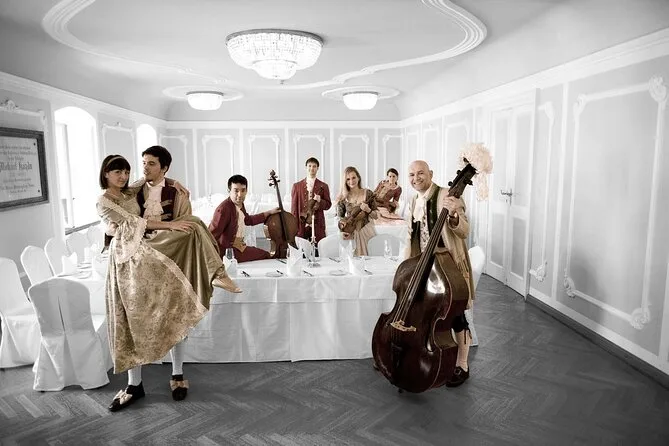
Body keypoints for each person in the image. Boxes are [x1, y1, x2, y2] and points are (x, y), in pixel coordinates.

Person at [97, 154, 241, 413]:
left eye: (126, 171)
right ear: (105, 173)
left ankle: (177, 373)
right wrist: (171, 225)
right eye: (117, 172)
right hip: (127, 261)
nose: (124, 176)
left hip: (152, 255)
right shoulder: (104, 200)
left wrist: (174, 182)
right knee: (131, 319)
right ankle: (134, 385)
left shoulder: (130, 190)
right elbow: (133, 222)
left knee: (175, 311)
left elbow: (150, 178)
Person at [404, 160, 476, 388]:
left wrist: (453, 215)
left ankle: (462, 364)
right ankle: (431, 354)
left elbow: (465, 230)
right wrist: (407, 268)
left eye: (421, 173)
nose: (416, 178)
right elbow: (411, 236)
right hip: (424, 266)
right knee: (427, 312)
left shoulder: (447, 194)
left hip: (448, 266)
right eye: (412, 175)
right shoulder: (413, 200)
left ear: (431, 174)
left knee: (456, 315)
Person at [209, 174, 280, 262]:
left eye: (243, 190)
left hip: (239, 246)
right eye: (236, 191)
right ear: (229, 191)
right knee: (265, 255)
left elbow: (248, 220)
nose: (240, 195)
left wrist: (268, 213)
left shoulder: (239, 204)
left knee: (263, 254)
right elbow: (211, 236)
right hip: (228, 252)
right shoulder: (223, 209)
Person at [335, 166, 378, 256]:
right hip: (351, 234)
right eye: (348, 179)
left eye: (354, 177)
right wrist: (342, 232)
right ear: (345, 181)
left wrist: (368, 210)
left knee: (370, 260)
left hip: (367, 232)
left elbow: (376, 216)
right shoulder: (343, 198)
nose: (351, 181)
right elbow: (340, 219)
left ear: (358, 177)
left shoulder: (368, 193)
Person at [290, 157, 332, 244]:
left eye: (314, 166)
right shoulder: (296, 186)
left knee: (318, 249)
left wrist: (320, 201)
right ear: (306, 167)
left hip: (318, 223)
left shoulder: (324, 186)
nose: (312, 168)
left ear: (317, 168)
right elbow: (294, 209)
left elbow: (328, 205)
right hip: (301, 224)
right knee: (302, 249)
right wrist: (294, 226)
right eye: (309, 166)